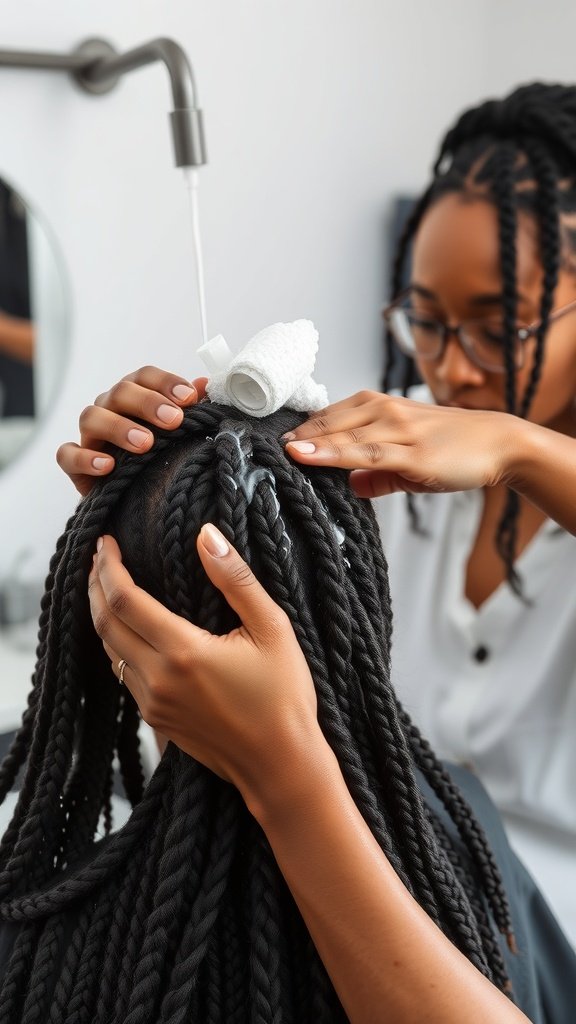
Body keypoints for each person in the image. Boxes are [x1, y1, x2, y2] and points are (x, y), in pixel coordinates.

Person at [59, 80, 576, 943]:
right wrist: (151, 498)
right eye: (426, 321)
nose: (453, 371)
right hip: (383, 884)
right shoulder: (391, 452)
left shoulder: (473, 446)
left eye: (500, 329)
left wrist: (521, 448)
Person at [3, 396, 576, 1023]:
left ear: (110, 619)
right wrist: (518, 447)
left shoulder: (45, 950)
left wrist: (285, 770)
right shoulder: (461, 836)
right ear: (356, 605)